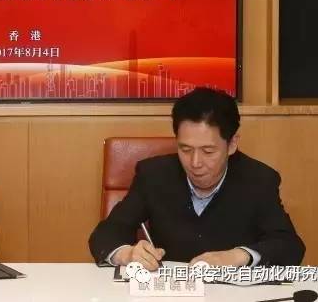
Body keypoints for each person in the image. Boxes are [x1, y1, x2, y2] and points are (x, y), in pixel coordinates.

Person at [89, 87, 305, 269]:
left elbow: (289, 245)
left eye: (208, 151)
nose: (195, 163)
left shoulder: (259, 180)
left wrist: (239, 256)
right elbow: (106, 234)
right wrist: (126, 254)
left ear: (232, 144)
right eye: (185, 149)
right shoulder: (154, 175)